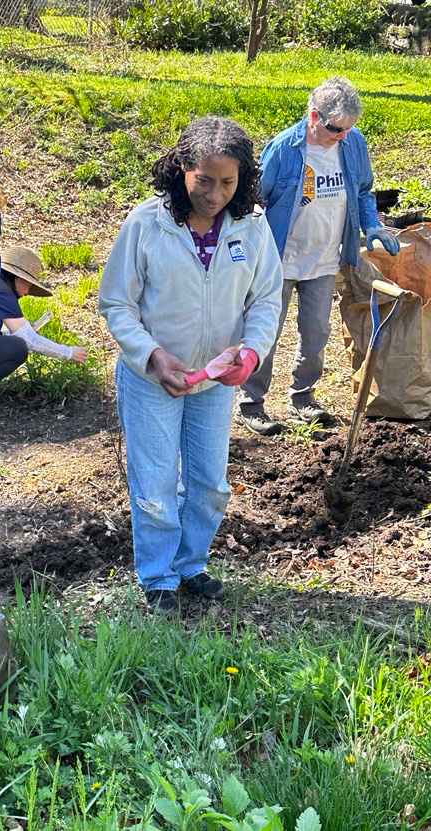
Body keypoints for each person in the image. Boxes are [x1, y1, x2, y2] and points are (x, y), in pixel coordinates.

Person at [99, 116, 282, 615]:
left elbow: (265, 298)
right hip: (152, 379)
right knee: (155, 484)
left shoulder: (253, 226)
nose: (215, 194)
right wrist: (153, 355)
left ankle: (191, 564)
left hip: (217, 379)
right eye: (204, 180)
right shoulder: (146, 224)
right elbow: (116, 303)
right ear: (182, 168)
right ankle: (158, 576)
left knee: (209, 483)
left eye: (228, 182)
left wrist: (251, 352)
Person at [235, 77, 400, 436]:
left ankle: (303, 398)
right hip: (279, 259)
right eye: (336, 129)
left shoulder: (352, 144)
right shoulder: (283, 148)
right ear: (314, 116)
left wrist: (371, 225)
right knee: (266, 333)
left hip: (325, 258)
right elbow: (254, 201)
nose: (342, 136)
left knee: (316, 334)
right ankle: (251, 403)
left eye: (348, 129)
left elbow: (363, 191)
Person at [0, 245, 87, 418]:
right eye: (29, 285)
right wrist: (68, 353)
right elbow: (28, 340)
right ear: (17, 277)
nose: (27, 293)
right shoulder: (0, 290)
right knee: (17, 349)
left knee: (11, 343)